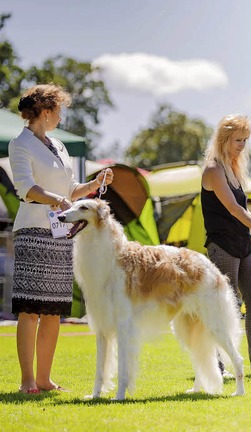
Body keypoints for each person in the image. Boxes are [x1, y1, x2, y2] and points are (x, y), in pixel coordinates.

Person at [9, 84, 114, 394]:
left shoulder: (58, 145)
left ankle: (44, 379)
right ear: (45, 111)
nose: (60, 116)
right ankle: (27, 381)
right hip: (32, 231)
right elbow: (26, 189)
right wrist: (57, 199)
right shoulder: (20, 144)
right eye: (58, 111)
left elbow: (70, 191)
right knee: (30, 310)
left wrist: (94, 183)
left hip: (60, 234)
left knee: (53, 310)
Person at [201, 114, 251, 376]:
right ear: (224, 139)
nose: (242, 145)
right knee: (227, 306)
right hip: (222, 246)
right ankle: (219, 366)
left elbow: (241, 208)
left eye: (245, 140)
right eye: (238, 140)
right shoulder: (213, 169)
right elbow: (233, 209)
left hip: (242, 245)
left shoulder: (234, 168)